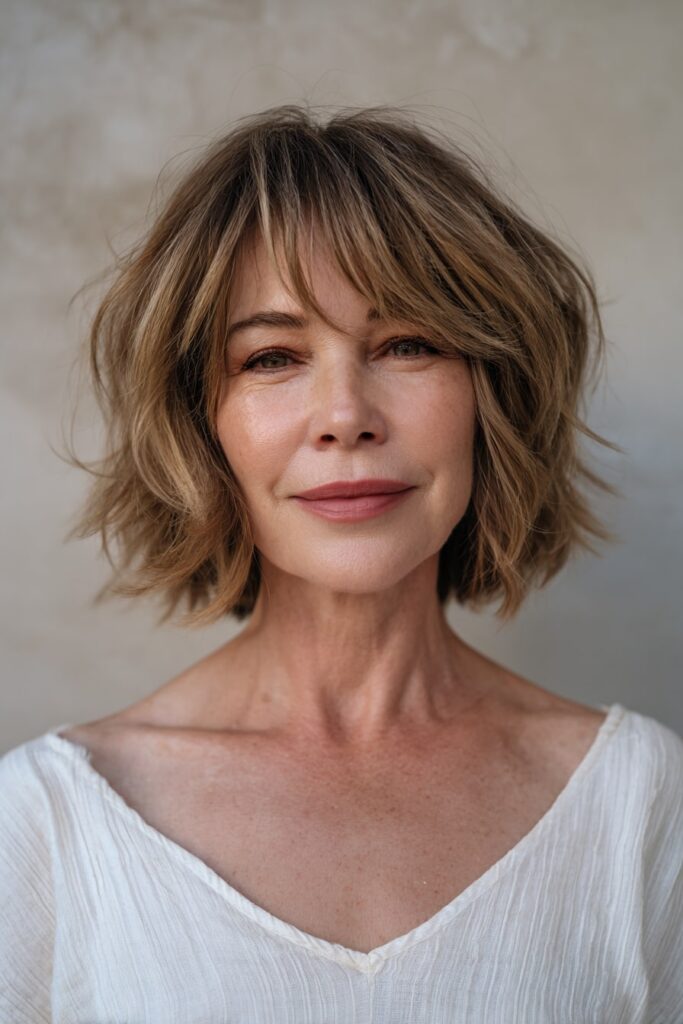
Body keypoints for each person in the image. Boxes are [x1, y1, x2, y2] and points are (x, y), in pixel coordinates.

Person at [1, 103, 681, 1023]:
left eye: (406, 344)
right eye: (273, 356)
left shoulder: (638, 804)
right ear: (202, 426)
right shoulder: (45, 822)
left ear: (494, 392)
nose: (344, 413)